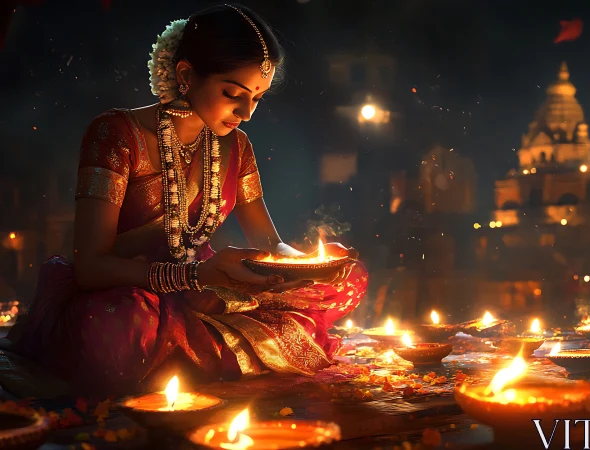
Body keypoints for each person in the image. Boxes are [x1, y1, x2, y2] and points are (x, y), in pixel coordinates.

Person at [7, 4, 367, 394]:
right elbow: (90, 268)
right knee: (119, 331)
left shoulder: (237, 148)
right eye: (233, 93)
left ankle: (196, 352)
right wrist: (192, 277)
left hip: (210, 289)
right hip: (130, 295)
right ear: (185, 75)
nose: (246, 113)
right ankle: (217, 351)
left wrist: (308, 266)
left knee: (349, 276)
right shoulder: (115, 134)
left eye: (258, 98)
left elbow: (268, 243)